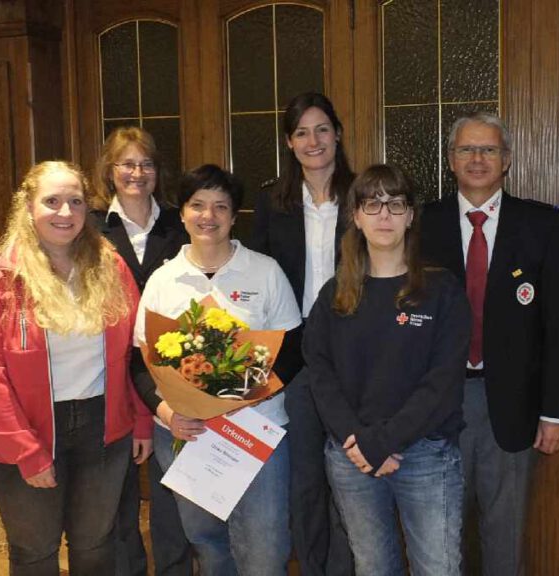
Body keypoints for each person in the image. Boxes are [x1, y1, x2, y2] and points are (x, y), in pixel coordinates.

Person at [0, 161, 153, 575]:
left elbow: (136, 352)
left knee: (96, 543)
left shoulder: (111, 267)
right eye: (52, 201)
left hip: (104, 427)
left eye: (76, 202)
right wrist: (26, 451)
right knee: (34, 550)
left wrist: (141, 420)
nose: (65, 212)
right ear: (28, 207)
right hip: (25, 430)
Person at [419, 113, 559, 576]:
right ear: (451, 160)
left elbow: (557, 325)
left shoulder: (541, 224)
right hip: (437, 404)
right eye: (466, 149)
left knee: (504, 536)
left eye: (488, 149)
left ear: (506, 160)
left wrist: (555, 412)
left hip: (512, 404)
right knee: (439, 538)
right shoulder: (421, 224)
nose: (477, 159)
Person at [134, 164, 302, 576]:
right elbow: (140, 363)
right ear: (182, 213)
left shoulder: (265, 271)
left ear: (233, 215)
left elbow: (293, 351)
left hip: (256, 431)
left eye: (220, 206)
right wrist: (168, 413)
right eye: (197, 205)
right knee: (207, 542)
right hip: (186, 434)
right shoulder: (163, 280)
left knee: (266, 549)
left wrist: (241, 396)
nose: (208, 216)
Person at [304, 163, 471, 576]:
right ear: (356, 217)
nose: (384, 215)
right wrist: (358, 441)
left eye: (395, 204)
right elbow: (320, 373)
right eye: (372, 204)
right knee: (373, 568)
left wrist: (382, 441)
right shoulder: (334, 294)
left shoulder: (442, 290)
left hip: (426, 455)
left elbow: (442, 382)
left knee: (438, 569)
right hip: (352, 455)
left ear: (410, 216)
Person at [247, 91, 355, 576]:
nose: (314, 141)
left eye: (322, 129)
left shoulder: (363, 195)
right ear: (289, 143)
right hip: (295, 357)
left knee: (352, 477)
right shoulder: (273, 203)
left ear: (338, 134)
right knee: (306, 478)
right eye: (302, 133)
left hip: (354, 354)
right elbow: (258, 276)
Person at [90, 126, 193, 576]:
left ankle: (174, 567)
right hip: (109, 369)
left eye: (146, 163)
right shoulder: (90, 226)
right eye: (127, 164)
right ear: (109, 170)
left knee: (172, 486)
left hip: (166, 369)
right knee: (119, 489)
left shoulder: (179, 223)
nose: (137, 173)